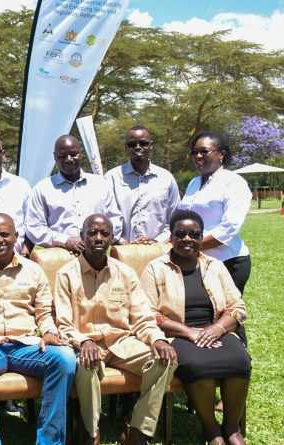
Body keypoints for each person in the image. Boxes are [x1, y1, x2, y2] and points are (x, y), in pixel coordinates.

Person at [54, 214, 177, 445]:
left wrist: (157, 339)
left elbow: (142, 317)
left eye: (104, 233)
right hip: (87, 345)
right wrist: (82, 342)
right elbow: (63, 323)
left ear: (112, 238)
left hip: (122, 343)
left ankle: (137, 430)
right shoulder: (66, 275)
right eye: (92, 233)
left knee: (165, 358)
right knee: (85, 363)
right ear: (82, 236)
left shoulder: (125, 272)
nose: (98, 238)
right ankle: (91, 433)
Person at [0, 213, 76, 445]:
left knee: (65, 358)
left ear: (16, 237)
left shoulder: (33, 270)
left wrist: (49, 331)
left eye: (5, 234)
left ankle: (49, 441)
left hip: (26, 346)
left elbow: (44, 311)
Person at [140, 210, 250, 445]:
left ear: (201, 237)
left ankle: (232, 428)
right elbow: (146, 312)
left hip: (214, 329)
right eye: (180, 234)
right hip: (177, 333)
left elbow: (237, 306)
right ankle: (211, 430)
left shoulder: (215, 266)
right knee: (199, 364)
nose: (187, 239)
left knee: (241, 360)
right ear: (171, 237)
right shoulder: (155, 268)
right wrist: (189, 332)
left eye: (194, 234)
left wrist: (218, 328)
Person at [25, 135, 123, 255]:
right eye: (62, 156)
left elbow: (115, 220)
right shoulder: (42, 189)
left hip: (97, 257)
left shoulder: (101, 184)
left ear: (81, 155)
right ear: (55, 157)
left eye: (73, 154)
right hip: (60, 257)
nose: (69, 159)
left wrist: (95, 241)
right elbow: (34, 227)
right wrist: (65, 241)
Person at [180, 132, 252, 295]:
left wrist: (190, 246)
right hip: (196, 261)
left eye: (204, 151)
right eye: (194, 152)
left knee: (225, 315)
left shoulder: (233, 182)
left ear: (221, 154)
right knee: (201, 313)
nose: (198, 156)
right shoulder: (194, 183)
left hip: (227, 262)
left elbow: (230, 228)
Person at [105, 126, 180, 244]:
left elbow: (174, 218)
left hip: (158, 249)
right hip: (121, 249)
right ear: (126, 147)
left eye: (143, 143)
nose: (138, 147)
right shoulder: (112, 178)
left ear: (151, 145)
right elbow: (108, 215)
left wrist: (157, 241)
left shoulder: (166, 178)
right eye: (132, 144)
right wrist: (121, 241)